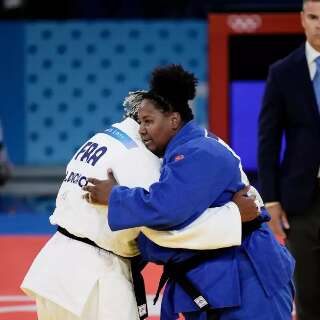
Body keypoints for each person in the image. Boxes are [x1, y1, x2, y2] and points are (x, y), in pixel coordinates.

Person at [21, 91, 259, 320]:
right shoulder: (140, 157)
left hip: (54, 268)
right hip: (93, 280)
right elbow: (165, 230)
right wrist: (233, 216)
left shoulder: (101, 140)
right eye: (146, 121)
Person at [84, 64, 295, 320]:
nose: (141, 130)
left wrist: (114, 196)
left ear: (174, 120)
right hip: (219, 277)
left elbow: (166, 209)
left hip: (248, 280)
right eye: (140, 122)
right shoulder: (185, 151)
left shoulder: (200, 152)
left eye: (148, 121)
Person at [258, 1, 320, 319]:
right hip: (301, 200)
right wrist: (270, 198)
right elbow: (268, 141)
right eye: (313, 17)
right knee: (308, 293)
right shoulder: (283, 72)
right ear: (302, 20)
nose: (319, 24)